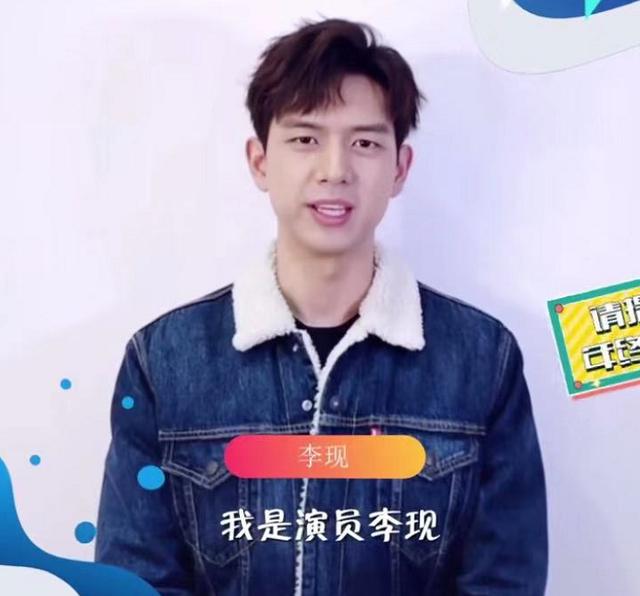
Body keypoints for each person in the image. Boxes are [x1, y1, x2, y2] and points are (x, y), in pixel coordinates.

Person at [96, 17, 548, 596]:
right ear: (260, 161)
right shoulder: (165, 362)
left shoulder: (482, 359)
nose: (335, 170)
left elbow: (504, 581)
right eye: (306, 139)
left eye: (365, 143)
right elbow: (135, 580)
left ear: (399, 168)